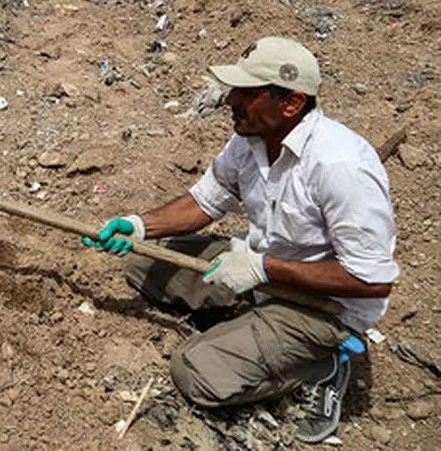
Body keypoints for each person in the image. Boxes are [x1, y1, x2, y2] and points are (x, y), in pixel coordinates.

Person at [86, 37, 398, 443]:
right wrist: (139, 226)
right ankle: (252, 328)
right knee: (144, 264)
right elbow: (205, 201)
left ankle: (319, 367)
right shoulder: (251, 137)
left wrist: (262, 268)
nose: (230, 100)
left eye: (247, 93)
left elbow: (371, 281)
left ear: (291, 104)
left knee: (194, 373)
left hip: (321, 308)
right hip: (262, 274)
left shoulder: (340, 167)